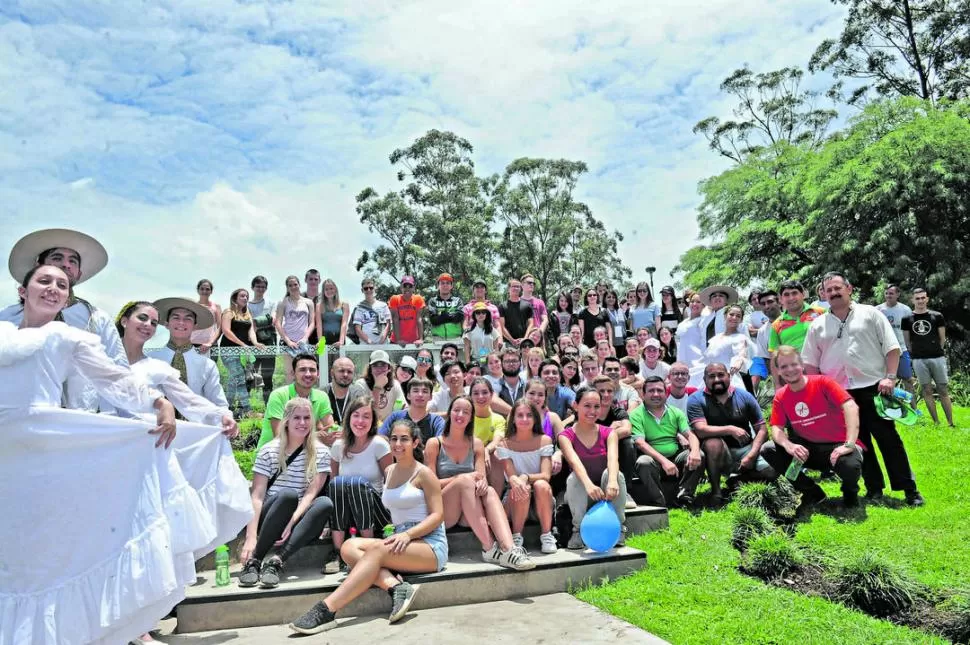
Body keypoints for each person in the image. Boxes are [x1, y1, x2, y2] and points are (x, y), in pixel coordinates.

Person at [0, 264, 213, 645]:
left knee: (43, 559)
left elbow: (112, 380)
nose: (52, 288)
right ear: (22, 289)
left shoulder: (67, 336)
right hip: (6, 456)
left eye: (61, 285)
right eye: (44, 281)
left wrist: (156, 399)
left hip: (44, 452)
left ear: (68, 296)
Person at [290, 417, 446, 634]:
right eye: (394, 439)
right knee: (348, 548)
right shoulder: (390, 470)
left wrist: (408, 535)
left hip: (429, 543)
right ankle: (396, 587)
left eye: (404, 439)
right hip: (400, 538)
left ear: (416, 442)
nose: (398, 444)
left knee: (374, 551)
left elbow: (438, 515)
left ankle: (327, 610)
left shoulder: (424, 474)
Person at [801, 272, 924, 505]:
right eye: (829, 290)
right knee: (858, 443)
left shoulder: (871, 314)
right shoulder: (817, 325)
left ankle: (909, 489)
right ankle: (874, 488)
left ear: (850, 288)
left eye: (838, 288)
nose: (834, 293)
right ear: (823, 295)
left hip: (875, 388)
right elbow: (810, 363)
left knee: (889, 439)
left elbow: (892, 348)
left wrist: (890, 377)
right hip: (839, 394)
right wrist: (819, 393)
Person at [0, 228, 127, 411]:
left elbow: (118, 372)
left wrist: (125, 422)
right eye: (57, 258)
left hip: (80, 422)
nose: (66, 265)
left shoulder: (97, 319)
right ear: (38, 265)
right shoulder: (7, 318)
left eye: (72, 261)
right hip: (16, 418)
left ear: (79, 273)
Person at [425, 396, 536, 569]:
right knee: (464, 480)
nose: (460, 415)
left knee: (489, 491)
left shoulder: (476, 444)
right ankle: (489, 547)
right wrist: (459, 479)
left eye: (466, 412)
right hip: (444, 511)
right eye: (456, 410)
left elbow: (480, 479)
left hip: (469, 511)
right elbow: (430, 487)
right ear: (449, 413)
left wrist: (480, 482)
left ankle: (510, 549)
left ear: (471, 417)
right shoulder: (434, 444)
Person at [240, 398, 334, 588]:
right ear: (286, 421)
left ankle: (276, 561)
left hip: (298, 517)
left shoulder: (322, 452)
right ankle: (254, 561)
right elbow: (257, 496)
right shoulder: (268, 451)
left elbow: (311, 493)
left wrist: (292, 521)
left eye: (307, 418)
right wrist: (251, 537)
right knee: (288, 495)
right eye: (296, 418)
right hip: (272, 515)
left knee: (324, 503)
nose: (302, 423)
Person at [760, 347, 864, 508]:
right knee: (768, 449)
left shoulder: (823, 382)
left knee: (850, 465)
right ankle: (811, 492)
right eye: (784, 366)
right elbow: (776, 428)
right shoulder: (781, 396)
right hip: (807, 450)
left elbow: (851, 407)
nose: (790, 370)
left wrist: (849, 444)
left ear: (802, 365)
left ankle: (850, 493)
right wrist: (790, 446)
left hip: (839, 446)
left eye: (793, 364)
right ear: (778, 371)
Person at [687, 363, 774, 504]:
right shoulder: (696, 399)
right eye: (711, 376)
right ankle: (716, 491)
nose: (716, 379)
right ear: (704, 379)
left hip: (745, 449)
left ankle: (737, 480)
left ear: (729, 376)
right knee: (712, 443)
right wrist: (730, 429)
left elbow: (762, 429)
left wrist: (752, 455)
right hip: (718, 453)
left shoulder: (745, 396)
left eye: (721, 375)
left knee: (771, 471)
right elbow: (700, 430)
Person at [326, 396, 394, 574]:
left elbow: (390, 482)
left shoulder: (379, 445)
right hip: (348, 514)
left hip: (376, 512)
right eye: (356, 415)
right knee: (338, 483)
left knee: (357, 483)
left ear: (372, 422)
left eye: (366, 416)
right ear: (349, 418)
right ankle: (338, 552)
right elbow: (333, 487)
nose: (360, 421)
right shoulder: (338, 446)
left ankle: (368, 548)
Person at [559, 386, 628, 549]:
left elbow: (613, 459)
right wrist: (589, 486)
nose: (592, 411)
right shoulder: (565, 435)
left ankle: (618, 528)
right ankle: (578, 530)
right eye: (587, 406)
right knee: (574, 476)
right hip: (580, 494)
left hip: (606, 493)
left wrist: (612, 481)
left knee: (615, 474)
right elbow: (575, 463)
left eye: (596, 406)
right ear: (576, 406)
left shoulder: (608, 432)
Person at [630, 376, 705, 508]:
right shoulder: (636, 415)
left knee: (699, 454)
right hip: (653, 461)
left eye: (660, 390)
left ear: (666, 393)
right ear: (643, 394)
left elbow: (691, 435)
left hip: (675, 457)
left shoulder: (675, 412)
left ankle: (685, 495)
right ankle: (660, 501)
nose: (656, 394)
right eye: (651, 391)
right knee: (643, 462)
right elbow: (640, 443)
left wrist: (694, 451)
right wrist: (664, 461)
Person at [497, 399, 558, 554]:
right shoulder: (505, 443)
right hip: (514, 497)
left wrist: (526, 476)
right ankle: (516, 536)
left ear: (535, 418)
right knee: (520, 486)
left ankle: (547, 535)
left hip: (540, 498)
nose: (524, 419)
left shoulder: (544, 440)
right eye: (520, 415)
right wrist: (522, 480)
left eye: (529, 415)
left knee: (541, 485)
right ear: (513, 419)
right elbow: (511, 477)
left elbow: (546, 475)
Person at [150, 297, 229, 411]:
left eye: (188, 318)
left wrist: (227, 420)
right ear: (167, 323)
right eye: (176, 317)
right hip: (157, 425)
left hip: (194, 426)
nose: (181, 322)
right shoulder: (151, 360)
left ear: (195, 326)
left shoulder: (207, 365)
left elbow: (219, 403)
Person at [256, 353, 335, 451]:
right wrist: (316, 436)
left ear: (318, 374)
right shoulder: (278, 395)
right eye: (302, 370)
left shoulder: (321, 396)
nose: (308, 374)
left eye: (312, 370)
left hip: (306, 454)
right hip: (273, 456)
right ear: (293, 373)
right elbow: (279, 435)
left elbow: (331, 428)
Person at [903, 288, 954, 426]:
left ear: (927, 299)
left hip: (937, 357)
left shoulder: (937, 316)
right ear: (912, 300)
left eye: (922, 298)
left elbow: (942, 338)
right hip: (919, 359)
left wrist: (937, 350)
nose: (920, 300)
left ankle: (950, 422)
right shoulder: (907, 319)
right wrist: (915, 354)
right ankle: (936, 422)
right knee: (926, 390)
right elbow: (907, 341)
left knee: (943, 389)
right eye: (917, 298)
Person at [220, 287, 266, 418]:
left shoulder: (247, 314)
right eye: (242, 296)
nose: (245, 298)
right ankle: (247, 410)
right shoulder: (228, 312)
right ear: (235, 298)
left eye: (246, 296)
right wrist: (243, 344)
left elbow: (251, 331)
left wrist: (255, 343)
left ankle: (225, 409)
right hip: (228, 351)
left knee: (234, 380)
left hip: (243, 352)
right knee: (239, 377)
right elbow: (226, 331)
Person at [768, 280, 825, 384]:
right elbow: (774, 358)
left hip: (826, 372)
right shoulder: (776, 324)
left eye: (794, 293)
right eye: (786, 295)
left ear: (803, 294)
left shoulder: (821, 313)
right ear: (780, 299)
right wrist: (777, 386)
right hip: (796, 379)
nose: (791, 298)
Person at [703, 304, 754, 391]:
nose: (734, 318)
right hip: (712, 379)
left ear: (741, 320)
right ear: (725, 316)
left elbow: (742, 352)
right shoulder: (715, 338)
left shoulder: (740, 337)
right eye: (731, 314)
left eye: (738, 316)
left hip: (729, 377)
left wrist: (739, 361)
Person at [275, 275, 316, 384]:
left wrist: (305, 338)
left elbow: (312, 323)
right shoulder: (283, 302)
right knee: (290, 372)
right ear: (287, 287)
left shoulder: (308, 302)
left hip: (303, 342)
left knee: (303, 372)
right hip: (288, 342)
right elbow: (277, 323)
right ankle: (291, 399)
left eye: (295, 284)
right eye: (290, 285)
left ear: (299, 285)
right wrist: (288, 341)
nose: (293, 287)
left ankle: (303, 399)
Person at [380, 377, 445, 444]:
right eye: (415, 391)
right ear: (408, 395)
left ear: (430, 397)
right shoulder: (395, 416)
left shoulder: (436, 421)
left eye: (425, 391)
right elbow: (381, 437)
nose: (420, 395)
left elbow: (440, 445)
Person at [347, 349, 406, 423]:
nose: (379, 369)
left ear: (389, 368)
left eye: (383, 365)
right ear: (370, 369)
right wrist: (377, 387)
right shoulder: (360, 385)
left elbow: (403, 408)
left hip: (389, 427)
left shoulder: (395, 384)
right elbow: (367, 412)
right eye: (375, 365)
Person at [877, 284, 916, 395]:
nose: (888, 295)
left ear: (898, 294)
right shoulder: (878, 310)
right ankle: (888, 407)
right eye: (887, 293)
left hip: (902, 349)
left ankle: (914, 408)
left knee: (908, 380)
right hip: (884, 351)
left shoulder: (905, 309)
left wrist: (910, 346)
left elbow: (911, 329)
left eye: (891, 293)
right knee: (884, 381)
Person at [249, 275, 277, 404]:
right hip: (251, 342)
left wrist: (255, 323)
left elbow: (272, 320)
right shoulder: (247, 304)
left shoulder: (271, 303)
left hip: (269, 341)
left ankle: (268, 407)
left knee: (268, 376)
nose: (260, 289)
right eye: (258, 286)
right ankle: (246, 407)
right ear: (252, 287)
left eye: (263, 287)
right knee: (249, 375)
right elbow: (247, 323)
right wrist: (258, 323)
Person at [750, 289, 781, 390]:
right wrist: (778, 380)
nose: (767, 306)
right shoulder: (762, 331)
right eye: (763, 304)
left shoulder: (793, 320)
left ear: (779, 301)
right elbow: (767, 359)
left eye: (770, 302)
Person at [427, 273, 465, 342]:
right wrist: (452, 315)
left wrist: (443, 316)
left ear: (451, 286)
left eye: (447, 283)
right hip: (438, 339)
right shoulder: (433, 301)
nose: (445, 285)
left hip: (456, 338)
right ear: (438, 286)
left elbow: (459, 317)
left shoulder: (458, 300)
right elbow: (434, 320)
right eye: (442, 283)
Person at [352, 278, 392, 345]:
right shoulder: (359, 308)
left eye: (371, 288)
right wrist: (369, 341)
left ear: (375, 289)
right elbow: (357, 329)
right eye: (366, 288)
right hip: (366, 345)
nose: (368, 290)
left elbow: (388, 324)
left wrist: (382, 340)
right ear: (362, 290)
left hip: (383, 344)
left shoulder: (383, 305)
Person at [389, 275, 426, 346]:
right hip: (396, 341)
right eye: (405, 286)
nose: (407, 289)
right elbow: (395, 319)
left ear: (414, 288)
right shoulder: (394, 299)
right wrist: (398, 340)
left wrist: (421, 339)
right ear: (401, 287)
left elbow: (419, 319)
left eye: (410, 286)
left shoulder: (418, 299)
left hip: (414, 342)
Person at [499, 278, 535, 347]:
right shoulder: (502, 306)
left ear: (520, 289)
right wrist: (512, 340)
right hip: (508, 343)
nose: (516, 288)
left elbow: (531, 324)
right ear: (508, 289)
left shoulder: (527, 305)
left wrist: (525, 338)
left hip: (524, 343)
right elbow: (502, 326)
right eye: (514, 286)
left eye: (518, 286)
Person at [316, 278, 350, 348]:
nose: (329, 291)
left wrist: (341, 341)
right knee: (320, 357)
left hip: (339, 338)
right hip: (324, 339)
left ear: (335, 290)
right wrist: (320, 341)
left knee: (339, 358)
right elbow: (319, 324)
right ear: (323, 291)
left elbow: (344, 324)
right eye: (326, 289)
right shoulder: (319, 305)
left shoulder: (344, 304)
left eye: (331, 288)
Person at [191, 278, 222, 357]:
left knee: (211, 368)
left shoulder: (216, 307)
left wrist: (210, 342)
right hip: (192, 344)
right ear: (198, 290)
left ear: (211, 291)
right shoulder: (192, 306)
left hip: (210, 344)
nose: (204, 291)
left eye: (207, 289)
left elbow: (220, 327)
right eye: (202, 289)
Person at [491, 348, 526, 415]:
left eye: (514, 361)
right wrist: (516, 414)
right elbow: (492, 401)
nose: (511, 364)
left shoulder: (527, 384)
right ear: (501, 364)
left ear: (520, 363)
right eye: (507, 361)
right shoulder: (493, 385)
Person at [327, 357, 357, 427]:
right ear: (332, 373)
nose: (345, 375)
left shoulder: (358, 395)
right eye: (341, 371)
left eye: (349, 372)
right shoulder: (321, 394)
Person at [520, 274, 549, 344]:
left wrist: (539, 332)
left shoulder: (540, 302)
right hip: (522, 338)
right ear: (522, 285)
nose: (532, 284)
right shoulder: (516, 302)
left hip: (538, 339)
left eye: (533, 283)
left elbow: (545, 320)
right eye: (529, 282)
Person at [604, 290, 629, 358]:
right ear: (604, 299)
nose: (611, 299)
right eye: (609, 297)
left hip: (623, 343)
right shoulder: (603, 312)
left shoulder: (620, 311)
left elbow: (626, 326)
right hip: (612, 344)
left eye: (613, 297)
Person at [303, 269, 323, 347]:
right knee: (304, 359)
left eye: (316, 279)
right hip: (303, 336)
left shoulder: (325, 298)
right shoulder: (299, 297)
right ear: (305, 280)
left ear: (320, 281)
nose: (313, 281)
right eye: (310, 279)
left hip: (321, 337)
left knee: (322, 357)